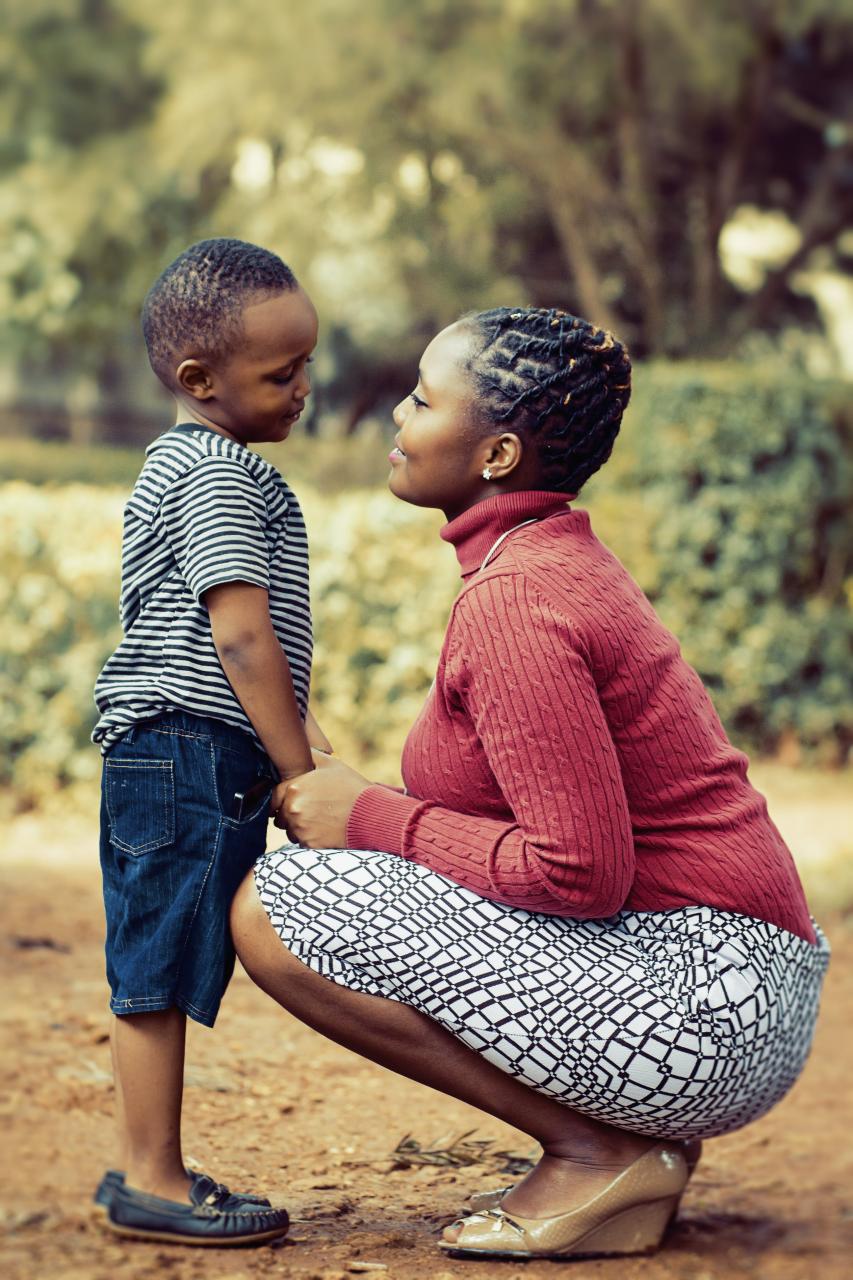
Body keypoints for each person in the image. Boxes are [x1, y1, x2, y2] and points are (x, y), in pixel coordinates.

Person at [229, 305, 830, 1261]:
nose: (397, 415)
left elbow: (576, 871)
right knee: (325, 884)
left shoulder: (515, 599)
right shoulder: (540, 562)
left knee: (279, 908)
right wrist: (358, 801)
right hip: (725, 976)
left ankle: (598, 1152)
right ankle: (622, 1149)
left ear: (498, 455)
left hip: (709, 1003)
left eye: (424, 400)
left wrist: (372, 816)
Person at [91, 238, 330, 1245]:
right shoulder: (219, 474)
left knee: (166, 950)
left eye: (306, 364)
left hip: (182, 749)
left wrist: (306, 740)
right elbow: (239, 631)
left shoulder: (191, 466)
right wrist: (301, 768)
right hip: (186, 748)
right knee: (156, 959)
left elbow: (254, 644)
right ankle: (152, 1174)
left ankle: (155, 1166)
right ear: (201, 381)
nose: (306, 389)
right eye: (283, 373)